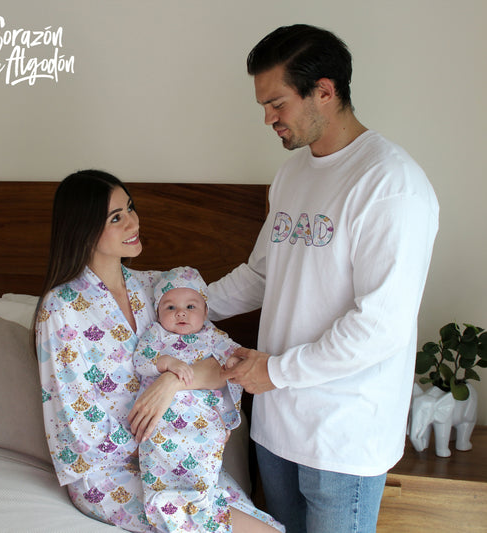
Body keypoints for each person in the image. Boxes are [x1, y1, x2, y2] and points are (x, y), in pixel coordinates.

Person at [207, 24, 439, 533]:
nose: (268, 118)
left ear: (325, 91)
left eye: (277, 104)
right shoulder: (292, 175)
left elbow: (379, 326)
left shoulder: (390, 184)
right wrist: (177, 300)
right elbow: (262, 275)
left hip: (342, 437)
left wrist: (277, 372)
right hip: (275, 426)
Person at [35, 170, 285, 533]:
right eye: (116, 218)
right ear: (83, 229)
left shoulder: (157, 289)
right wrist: (163, 432)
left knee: (270, 528)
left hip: (181, 451)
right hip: (110, 472)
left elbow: (220, 362)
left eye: (130, 208)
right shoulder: (60, 308)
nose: (133, 222)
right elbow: (75, 425)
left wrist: (172, 384)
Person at [134, 266, 255, 532]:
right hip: (163, 420)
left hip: (203, 420)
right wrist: (166, 362)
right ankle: (165, 505)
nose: (181, 313)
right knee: (159, 461)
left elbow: (237, 360)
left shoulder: (214, 337)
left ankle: (199, 506)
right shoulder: (156, 334)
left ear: (205, 311)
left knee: (203, 466)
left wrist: (231, 363)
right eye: (170, 307)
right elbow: (142, 360)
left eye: (191, 306)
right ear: (157, 312)